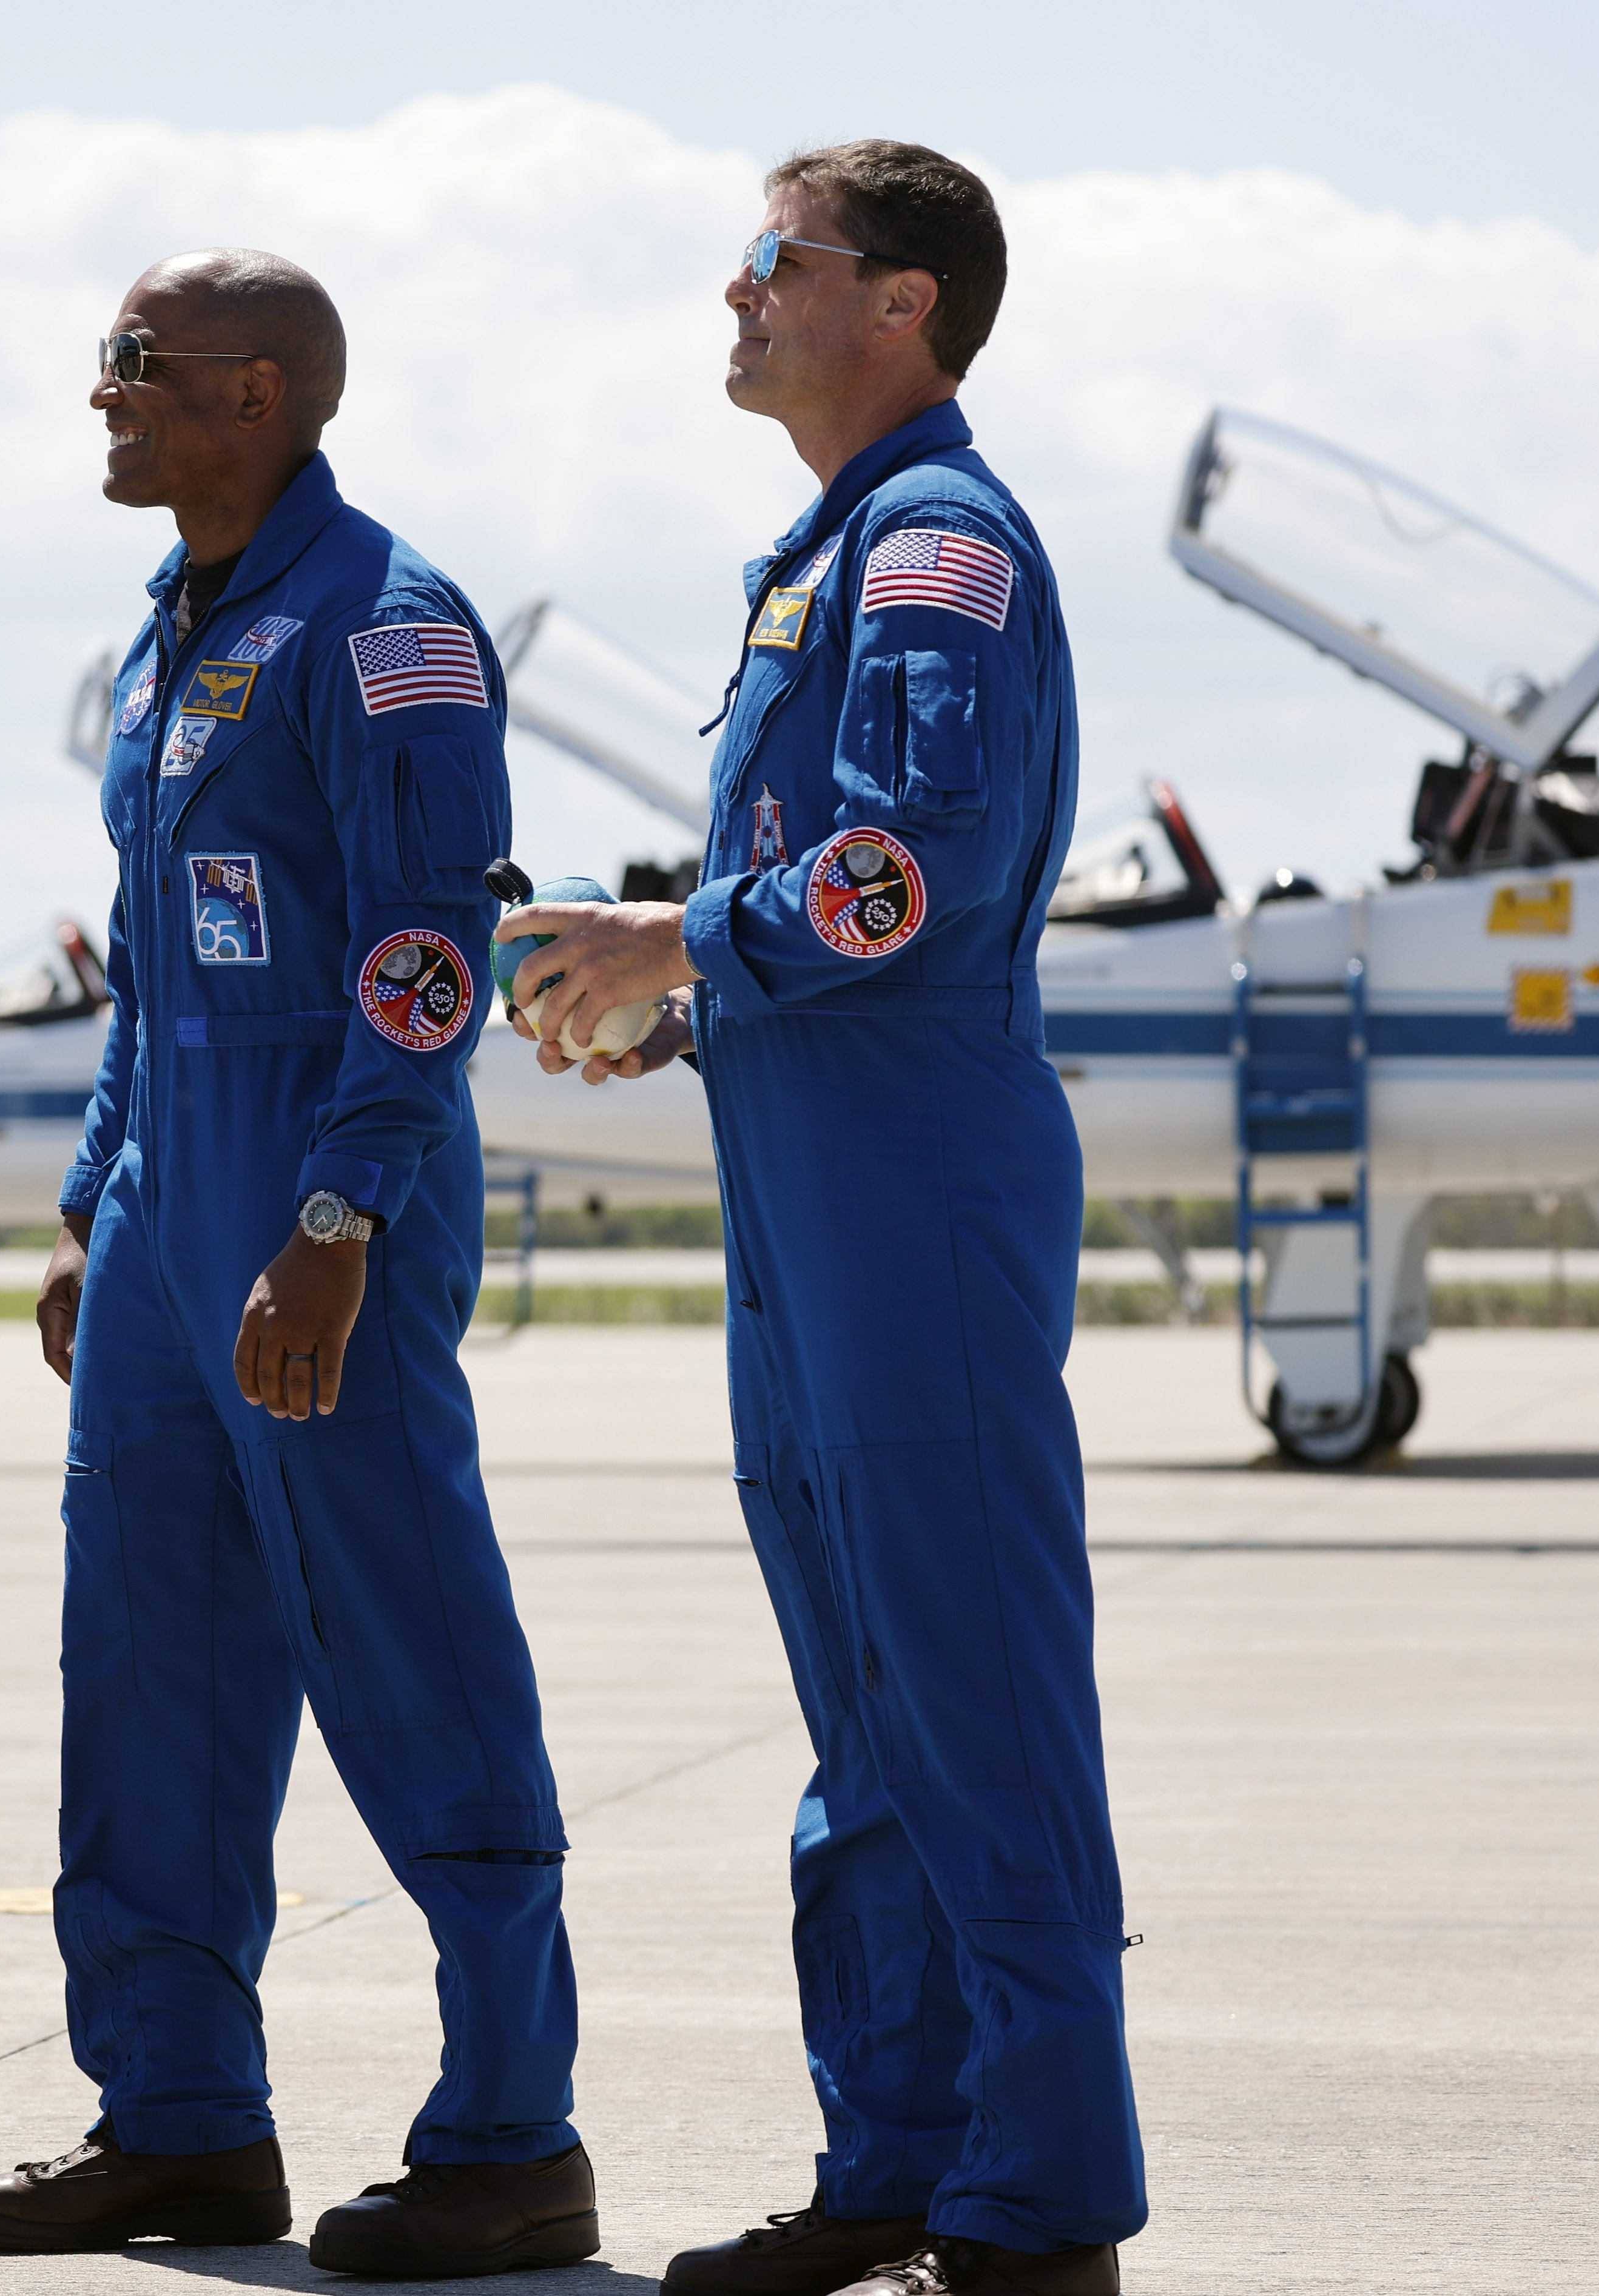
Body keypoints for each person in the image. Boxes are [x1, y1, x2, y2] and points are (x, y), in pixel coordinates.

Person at [502, 144, 1142, 2296]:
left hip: (913, 1195)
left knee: (972, 1693)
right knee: (864, 1707)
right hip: (806, 1189)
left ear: (904, 304)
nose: (735, 294)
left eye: (773, 262)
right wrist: (666, 1001)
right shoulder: (829, 556)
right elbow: (827, 900)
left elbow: (910, 871)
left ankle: (1038, 2201)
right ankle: (900, 2156)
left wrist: (671, 938)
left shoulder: (939, 546)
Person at [0, 249, 594, 2280]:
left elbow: (423, 955)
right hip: (164, 1218)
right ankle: (180, 2119)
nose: (101, 393)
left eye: (134, 362)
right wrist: (90, 1201)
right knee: (146, 1670)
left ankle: (511, 2131)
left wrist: (334, 1221)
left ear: (263, 392)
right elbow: (151, 966)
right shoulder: (171, 630)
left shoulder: (386, 627)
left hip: (326, 1202)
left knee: (409, 1654)